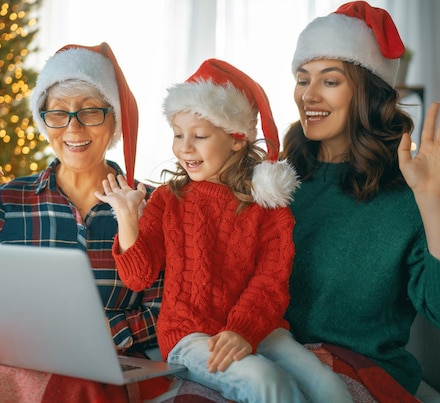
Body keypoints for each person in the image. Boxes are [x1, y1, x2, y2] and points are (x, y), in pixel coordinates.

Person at [96, 59, 352, 403]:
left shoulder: (268, 207)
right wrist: (127, 219)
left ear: (236, 139)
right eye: (178, 134)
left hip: (261, 329)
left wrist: (243, 330)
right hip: (190, 336)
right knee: (263, 380)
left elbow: (270, 282)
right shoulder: (167, 201)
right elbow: (138, 276)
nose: (185, 147)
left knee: (329, 387)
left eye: (199, 136)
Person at [282, 1, 440, 396]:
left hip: (360, 377)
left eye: (329, 81)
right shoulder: (278, 182)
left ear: (367, 92)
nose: (308, 95)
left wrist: (433, 200)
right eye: (302, 78)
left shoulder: (405, 196)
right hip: (269, 363)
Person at [0, 42, 162, 353]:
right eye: (58, 112)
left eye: (90, 110)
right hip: (17, 357)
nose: (73, 127)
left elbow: (166, 313)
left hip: (108, 365)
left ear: (115, 119)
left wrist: (107, 330)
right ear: (44, 120)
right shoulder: (11, 199)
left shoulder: (150, 205)